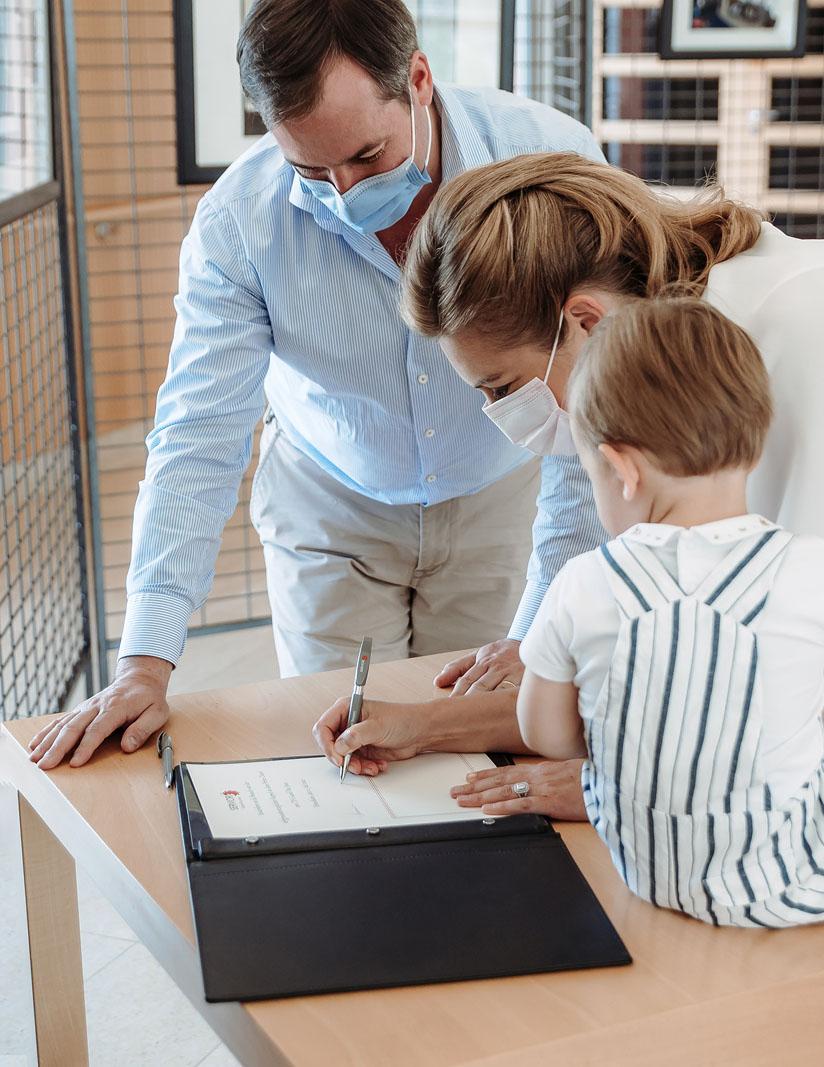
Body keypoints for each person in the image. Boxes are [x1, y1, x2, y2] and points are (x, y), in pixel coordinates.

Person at [28, 3, 604, 770]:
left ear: (419, 80)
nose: (344, 193)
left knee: (483, 744)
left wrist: (540, 625)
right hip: (332, 512)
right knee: (351, 754)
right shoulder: (239, 222)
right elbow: (198, 435)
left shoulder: (549, 158)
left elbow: (588, 406)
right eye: (310, 169)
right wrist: (144, 658)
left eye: (368, 156)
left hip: (502, 498)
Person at [313, 152, 824, 820]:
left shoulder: (795, 340)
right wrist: (423, 724)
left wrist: (610, 785)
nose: (503, 416)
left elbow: (788, 706)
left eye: (503, 387)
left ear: (586, 321)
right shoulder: (657, 369)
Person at [516, 297, 824, 926]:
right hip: (790, 884)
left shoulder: (583, 583)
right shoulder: (807, 570)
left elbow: (543, 735)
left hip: (649, 874)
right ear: (757, 444)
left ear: (622, 468)